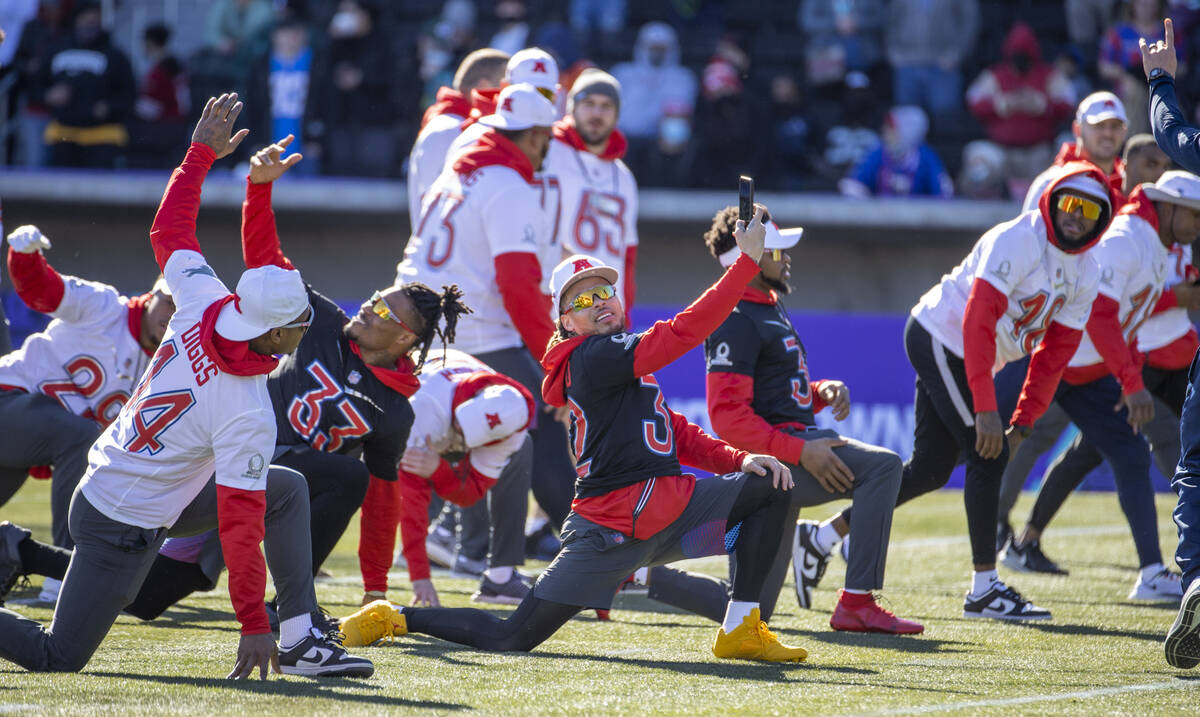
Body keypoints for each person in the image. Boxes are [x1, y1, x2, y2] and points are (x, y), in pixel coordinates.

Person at [0, 93, 371, 677]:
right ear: (274, 336)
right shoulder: (246, 408)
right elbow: (241, 531)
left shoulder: (203, 301)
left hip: (139, 483)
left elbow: (170, 226)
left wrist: (210, 160)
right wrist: (251, 623)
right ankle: (284, 633)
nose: (309, 322)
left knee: (288, 488)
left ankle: (300, 637)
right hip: (120, 517)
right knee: (59, 657)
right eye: (300, 320)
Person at [340, 215, 809, 663]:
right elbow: (681, 332)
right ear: (567, 321)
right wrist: (746, 265)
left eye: (604, 292)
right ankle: (396, 617)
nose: (600, 302)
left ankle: (742, 628)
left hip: (670, 508)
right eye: (583, 301)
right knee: (511, 637)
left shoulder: (615, 359)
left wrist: (738, 458)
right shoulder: (594, 356)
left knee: (771, 483)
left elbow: (675, 431)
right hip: (610, 528)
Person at [818, 162, 1114, 621]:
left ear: (1102, 219)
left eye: (1090, 210)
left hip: (967, 354)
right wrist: (986, 407)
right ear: (1052, 201)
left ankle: (821, 536)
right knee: (987, 455)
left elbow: (1054, 356)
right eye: (1070, 203)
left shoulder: (1087, 270)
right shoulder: (1018, 238)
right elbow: (977, 322)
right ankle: (983, 589)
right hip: (940, 336)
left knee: (933, 470)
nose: (1077, 215)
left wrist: (1024, 422)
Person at [637, 206, 920, 634]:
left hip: (786, 454)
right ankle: (858, 602)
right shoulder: (735, 317)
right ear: (746, 260)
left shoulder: (766, 305)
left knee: (751, 612)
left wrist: (818, 393)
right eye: (775, 251)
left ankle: (638, 575)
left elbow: (775, 396)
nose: (786, 257)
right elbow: (728, 418)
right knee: (883, 467)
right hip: (774, 464)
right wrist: (801, 450)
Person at [1000, 171, 1200, 602]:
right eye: (1194, 215)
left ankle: (1149, 572)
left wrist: (1130, 369)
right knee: (973, 451)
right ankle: (990, 561)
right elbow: (1099, 315)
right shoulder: (1128, 237)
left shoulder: (1154, 242)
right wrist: (1132, 381)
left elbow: (1128, 319)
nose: (1198, 225)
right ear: (1168, 208)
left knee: (1126, 454)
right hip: (1049, 359)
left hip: (1086, 372)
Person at [397, 83, 578, 538]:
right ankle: (587, 547)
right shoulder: (509, 184)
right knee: (549, 420)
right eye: (547, 139)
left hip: (418, 325)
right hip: (473, 335)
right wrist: (554, 363)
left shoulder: (460, 169)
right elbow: (518, 289)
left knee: (461, 430)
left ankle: (460, 538)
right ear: (536, 135)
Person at [0, 225, 174, 582]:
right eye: (169, 301)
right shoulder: (104, 305)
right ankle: (62, 571)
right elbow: (41, 291)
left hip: (32, 441)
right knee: (83, 435)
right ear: (153, 291)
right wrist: (25, 258)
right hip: (8, 398)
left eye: (182, 311)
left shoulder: (164, 371)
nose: (172, 315)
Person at [379, 348, 534, 607]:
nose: (455, 439)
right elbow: (411, 502)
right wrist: (420, 578)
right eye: (459, 429)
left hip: (442, 387)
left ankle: (500, 575)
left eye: (463, 437)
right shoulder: (425, 410)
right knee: (364, 485)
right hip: (387, 395)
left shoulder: (511, 426)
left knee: (524, 448)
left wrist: (438, 470)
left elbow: (469, 495)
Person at [545, 68, 638, 321]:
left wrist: (624, 317)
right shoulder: (547, 152)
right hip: (554, 307)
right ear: (571, 107)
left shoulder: (624, 177)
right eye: (589, 104)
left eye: (606, 106)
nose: (597, 113)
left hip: (603, 311)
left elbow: (627, 256)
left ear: (617, 114)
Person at [965, 22, 1076, 193]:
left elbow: (1069, 102)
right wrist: (997, 104)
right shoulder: (996, 76)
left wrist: (1044, 104)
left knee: (1069, 144)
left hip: (1040, 155)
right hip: (1003, 153)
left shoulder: (1048, 75)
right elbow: (973, 101)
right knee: (977, 153)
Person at [408, 48, 509, 229]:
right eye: (507, 87)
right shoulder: (446, 129)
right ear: (484, 87)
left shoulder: (463, 126)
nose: (512, 96)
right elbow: (437, 208)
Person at [39, 2, 136, 168]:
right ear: (76, 21)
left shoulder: (115, 54)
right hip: (63, 134)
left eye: (94, 21)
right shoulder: (56, 50)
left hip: (102, 136)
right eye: (85, 20)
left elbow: (130, 93)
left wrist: (109, 107)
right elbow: (36, 84)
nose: (89, 26)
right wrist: (48, 95)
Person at [611, 22, 697, 187]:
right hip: (626, 136)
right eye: (652, 47)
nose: (657, 52)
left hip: (662, 140)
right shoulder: (622, 72)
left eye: (662, 48)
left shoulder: (683, 77)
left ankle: (668, 189)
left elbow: (679, 113)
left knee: (675, 129)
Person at [1023, 92, 1128, 211]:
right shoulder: (1051, 183)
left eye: (1115, 126)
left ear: (1125, 132)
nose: (1108, 134)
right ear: (1077, 129)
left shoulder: (1130, 184)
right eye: (1099, 126)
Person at [884, 0, 979, 120]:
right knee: (906, 121)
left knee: (945, 119)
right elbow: (891, 20)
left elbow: (969, 21)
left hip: (943, 64)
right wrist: (894, 53)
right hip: (907, 63)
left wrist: (957, 54)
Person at [839, 106, 953, 198]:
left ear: (909, 132)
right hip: (882, 219)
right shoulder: (878, 151)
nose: (884, 131)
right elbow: (853, 184)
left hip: (919, 221)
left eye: (892, 128)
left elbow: (943, 194)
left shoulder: (926, 157)